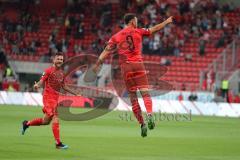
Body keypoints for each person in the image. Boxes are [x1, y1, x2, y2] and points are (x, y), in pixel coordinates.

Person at [92, 13, 173, 137]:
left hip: (126, 68)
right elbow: (155, 28)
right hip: (138, 65)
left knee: (133, 97)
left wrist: (98, 63)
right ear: (132, 22)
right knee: (145, 93)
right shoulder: (138, 31)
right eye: (136, 20)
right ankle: (150, 114)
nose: (137, 22)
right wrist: (166, 22)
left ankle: (142, 124)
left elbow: (106, 51)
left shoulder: (116, 36)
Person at [21, 52, 80, 149]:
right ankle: (58, 143)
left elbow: (64, 86)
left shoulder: (61, 73)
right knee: (55, 117)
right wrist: (37, 85)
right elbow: (41, 81)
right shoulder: (48, 71)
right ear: (54, 59)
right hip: (48, 98)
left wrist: (75, 93)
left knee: (45, 121)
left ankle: (26, 123)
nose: (60, 61)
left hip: (55, 100)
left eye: (61, 59)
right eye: (58, 59)